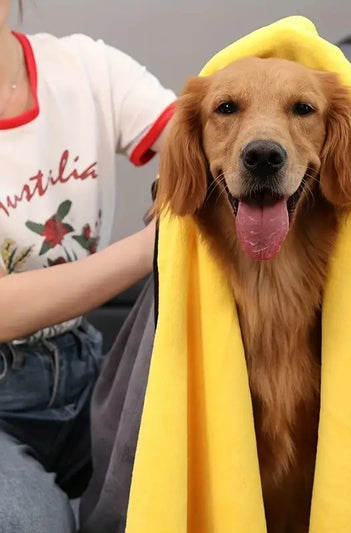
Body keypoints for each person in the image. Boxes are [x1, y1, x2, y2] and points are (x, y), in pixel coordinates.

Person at [0, 0, 177, 530]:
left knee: (188, 488)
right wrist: (157, 242)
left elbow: (207, 139)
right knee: (31, 522)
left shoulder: (86, 70)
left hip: (87, 371)